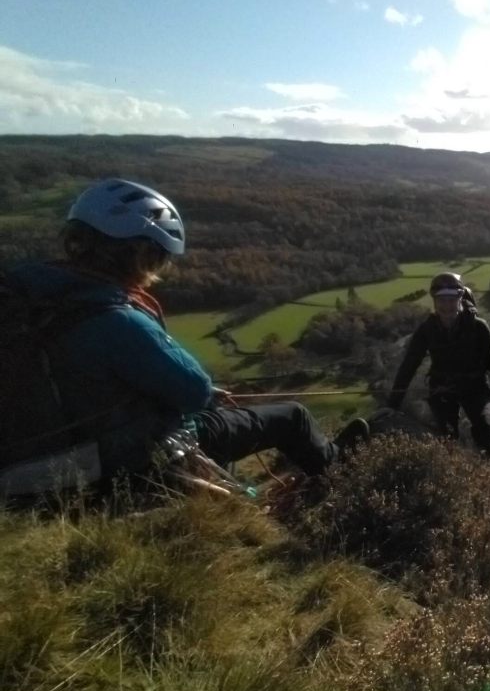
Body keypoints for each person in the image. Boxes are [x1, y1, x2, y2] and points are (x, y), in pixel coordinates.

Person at [3, 178, 368, 492]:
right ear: (141, 256)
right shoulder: (117, 320)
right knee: (294, 417)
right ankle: (339, 477)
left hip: (27, 466)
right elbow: (193, 390)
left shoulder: (26, 297)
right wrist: (209, 395)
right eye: (159, 258)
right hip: (115, 457)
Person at [386, 272, 490, 455]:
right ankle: (453, 474)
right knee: (448, 436)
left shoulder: (479, 327)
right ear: (434, 302)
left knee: (484, 429)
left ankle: (486, 473)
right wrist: (393, 404)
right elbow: (409, 365)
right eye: (441, 300)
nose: (446, 306)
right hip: (443, 388)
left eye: (451, 300)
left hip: (475, 386)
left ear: (459, 299)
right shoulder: (427, 330)